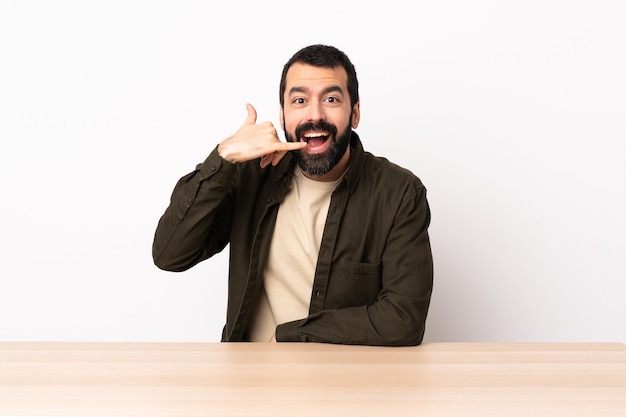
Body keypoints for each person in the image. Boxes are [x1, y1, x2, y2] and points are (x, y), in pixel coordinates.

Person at [152, 44, 433, 346]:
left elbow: (404, 319)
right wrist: (224, 157)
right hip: (247, 381)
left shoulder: (399, 193)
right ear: (283, 115)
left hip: (343, 383)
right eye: (300, 100)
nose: (315, 114)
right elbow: (170, 254)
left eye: (331, 99)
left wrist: (295, 335)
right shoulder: (251, 175)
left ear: (355, 113)